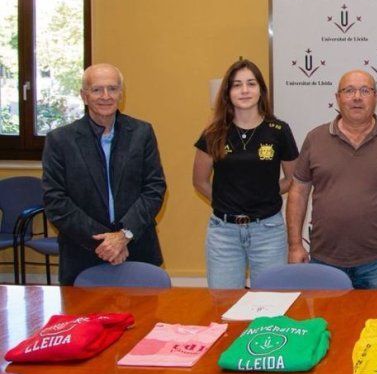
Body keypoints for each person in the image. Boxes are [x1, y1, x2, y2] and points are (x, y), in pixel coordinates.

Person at [286, 70, 377, 289]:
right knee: (326, 313)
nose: (357, 97)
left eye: (365, 90)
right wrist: (294, 245)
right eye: (349, 91)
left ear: (376, 98)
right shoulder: (315, 138)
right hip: (324, 258)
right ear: (337, 98)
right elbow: (298, 191)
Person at [41, 63, 167, 285]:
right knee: (84, 310)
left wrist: (124, 236)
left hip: (137, 247)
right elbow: (55, 201)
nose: (106, 96)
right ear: (84, 96)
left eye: (112, 88)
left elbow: (154, 189)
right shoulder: (60, 140)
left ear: (121, 94)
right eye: (97, 89)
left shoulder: (142, 133)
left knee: (143, 308)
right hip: (82, 253)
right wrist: (107, 242)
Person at [192, 59, 298, 289]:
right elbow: (199, 181)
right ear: (227, 92)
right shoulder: (213, 133)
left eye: (251, 83)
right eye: (237, 85)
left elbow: (292, 178)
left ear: (261, 90)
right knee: (223, 302)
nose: (244, 90)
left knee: (270, 301)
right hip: (224, 233)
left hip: (268, 230)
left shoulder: (279, 130)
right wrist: (226, 200)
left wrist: (265, 194)